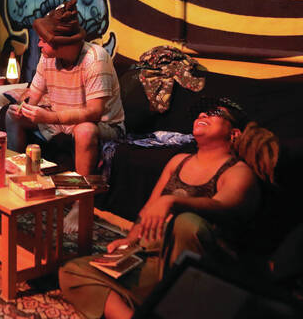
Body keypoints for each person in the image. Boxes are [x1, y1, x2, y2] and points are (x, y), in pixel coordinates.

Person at [59, 98, 278, 319]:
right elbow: (147, 212)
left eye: (215, 113)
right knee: (72, 271)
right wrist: (129, 241)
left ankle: (170, 304)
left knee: (186, 223)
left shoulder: (237, 172)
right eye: (202, 113)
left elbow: (222, 206)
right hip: (154, 259)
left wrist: (172, 202)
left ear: (234, 134)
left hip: (201, 272)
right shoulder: (178, 161)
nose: (203, 115)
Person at [0, 0, 124, 231]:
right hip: (61, 120)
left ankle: (80, 203)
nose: (38, 44)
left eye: (43, 41)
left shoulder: (95, 59)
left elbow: (95, 112)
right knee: (12, 114)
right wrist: (24, 107)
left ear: (60, 43)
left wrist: (50, 118)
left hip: (103, 126)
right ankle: (18, 181)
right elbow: (34, 93)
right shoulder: (48, 58)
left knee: (84, 130)